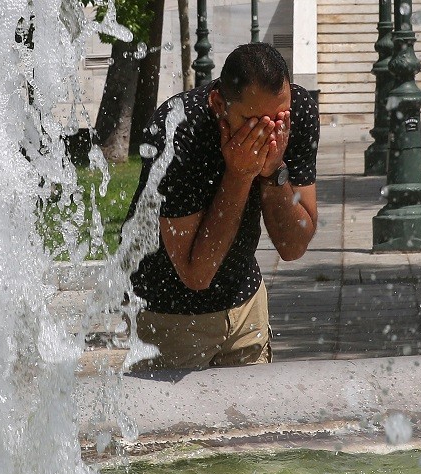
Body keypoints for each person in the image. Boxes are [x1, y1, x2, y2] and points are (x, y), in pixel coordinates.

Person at [127, 43, 319, 370]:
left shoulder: (297, 112)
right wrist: (240, 175)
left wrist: (274, 171)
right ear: (219, 104)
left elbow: (294, 246)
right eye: (253, 121)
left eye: (277, 119)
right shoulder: (177, 131)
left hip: (246, 307)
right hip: (171, 316)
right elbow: (195, 274)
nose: (269, 133)